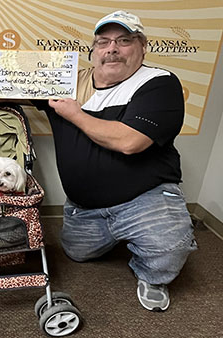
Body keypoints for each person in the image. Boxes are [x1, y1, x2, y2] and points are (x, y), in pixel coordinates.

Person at [37, 10, 197, 311]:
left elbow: (129, 141)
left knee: (169, 249)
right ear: (93, 51)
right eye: (103, 42)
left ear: (142, 46)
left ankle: (151, 274)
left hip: (143, 200)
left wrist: (75, 114)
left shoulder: (159, 82)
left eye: (124, 40)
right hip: (86, 206)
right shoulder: (64, 81)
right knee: (76, 253)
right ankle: (116, 234)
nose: (112, 48)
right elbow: (4, 84)